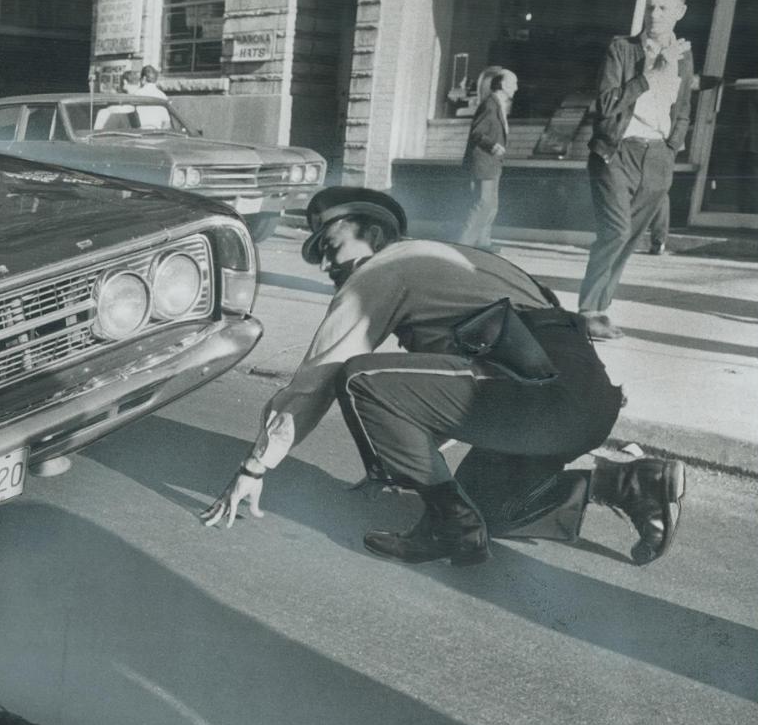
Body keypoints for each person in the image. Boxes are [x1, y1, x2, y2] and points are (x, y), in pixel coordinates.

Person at [200, 186, 686, 567]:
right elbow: (461, 382)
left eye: (330, 246)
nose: (328, 265)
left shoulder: (382, 271)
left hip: (541, 403)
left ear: (371, 231)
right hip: (579, 404)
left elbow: (318, 378)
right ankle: (629, 485)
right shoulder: (457, 259)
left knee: (357, 379)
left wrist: (256, 465)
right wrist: (398, 458)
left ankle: (446, 526)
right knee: (489, 512)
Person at [578, 0, 695, 340]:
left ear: (680, 12)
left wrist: (673, 145)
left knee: (630, 240)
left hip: (658, 156)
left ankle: (601, 310)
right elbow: (607, 105)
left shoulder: (684, 55)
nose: (655, 14)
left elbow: (685, 108)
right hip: (617, 152)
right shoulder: (622, 49)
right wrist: (649, 74)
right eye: (651, 7)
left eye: (664, 7)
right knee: (615, 230)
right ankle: (587, 311)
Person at [457, 67, 517, 250]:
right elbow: (477, 132)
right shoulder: (490, 104)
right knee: (484, 204)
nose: (516, 88)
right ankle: (464, 245)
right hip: (484, 163)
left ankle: (483, 243)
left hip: (492, 164)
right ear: (504, 84)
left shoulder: (498, 104)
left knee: (492, 205)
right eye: (514, 84)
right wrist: (493, 145)